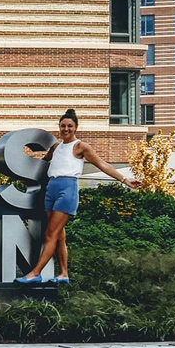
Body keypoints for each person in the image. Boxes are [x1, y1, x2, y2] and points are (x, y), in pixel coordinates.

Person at [15, 109, 141, 284]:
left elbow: (102, 164)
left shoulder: (81, 146)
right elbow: (43, 161)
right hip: (51, 188)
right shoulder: (56, 147)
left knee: (50, 234)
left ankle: (35, 273)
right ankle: (64, 274)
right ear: (59, 127)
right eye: (63, 126)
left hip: (67, 189)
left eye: (69, 126)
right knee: (59, 235)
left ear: (76, 128)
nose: (66, 129)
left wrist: (124, 179)